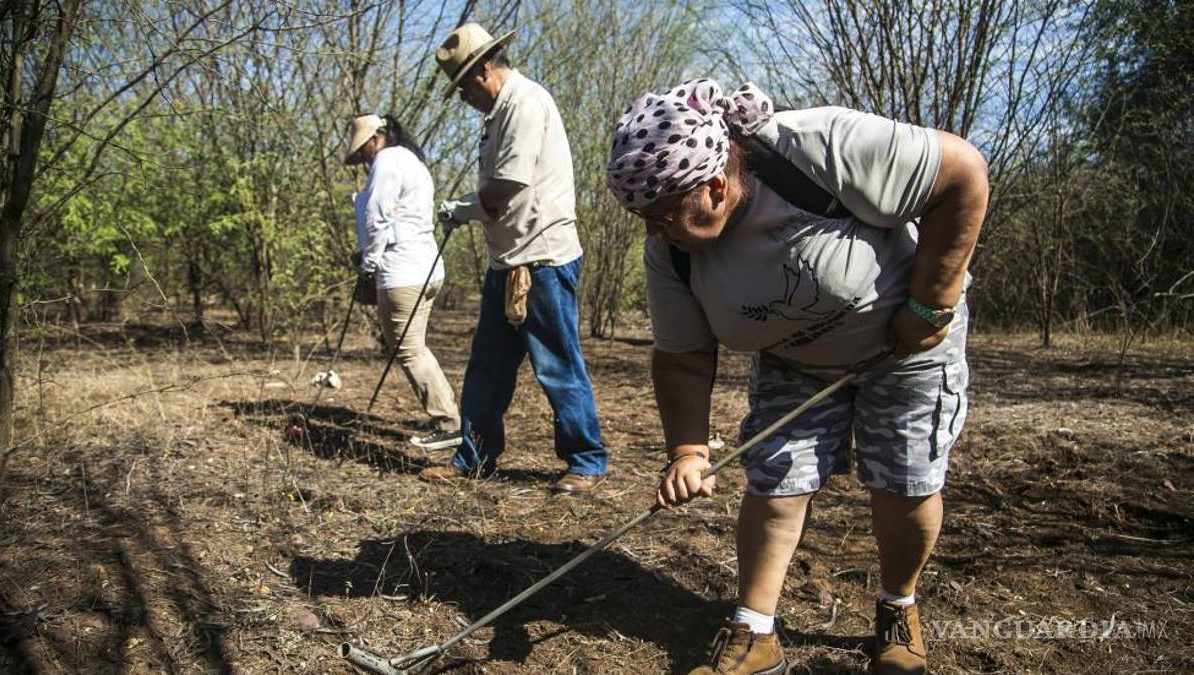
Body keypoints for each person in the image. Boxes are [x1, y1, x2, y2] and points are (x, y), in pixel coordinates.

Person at [605, 80, 988, 674]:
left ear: (712, 185)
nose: (655, 233)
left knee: (904, 483)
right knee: (776, 482)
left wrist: (931, 301)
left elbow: (962, 174)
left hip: (906, 345)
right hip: (793, 360)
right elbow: (683, 356)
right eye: (644, 218)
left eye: (663, 216)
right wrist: (686, 449)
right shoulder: (673, 255)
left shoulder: (815, 150)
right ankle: (754, 634)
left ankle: (897, 609)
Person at [419, 23, 608, 494]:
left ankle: (587, 459)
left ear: (484, 69)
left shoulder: (524, 103)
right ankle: (476, 457)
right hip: (508, 260)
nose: (464, 98)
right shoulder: (499, 113)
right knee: (486, 368)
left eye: (464, 87)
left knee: (557, 365)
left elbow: (508, 187)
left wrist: (464, 209)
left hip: (542, 258)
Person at [343, 114, 461, 450]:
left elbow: (378, 216)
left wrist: (369, 263)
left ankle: (449, 422)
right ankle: (447, 414)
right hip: (427, 266)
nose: (363, 158)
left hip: (402, 270)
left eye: (362, 150)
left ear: (376, 138)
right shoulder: (413, 161)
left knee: (408, 350)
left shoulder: (388, 159)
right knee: (416, 347)